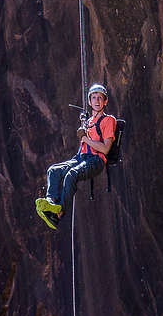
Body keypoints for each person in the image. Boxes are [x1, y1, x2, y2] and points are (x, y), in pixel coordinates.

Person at [35, 83, 116, 229]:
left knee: (72, 174)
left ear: (105, 101)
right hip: (81, 158)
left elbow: (105, 149)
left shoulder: (108, 120)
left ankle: (59, 212)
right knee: (53, 170)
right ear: (90, 102)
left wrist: (85, 138)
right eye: (94, 98)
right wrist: (84, 126)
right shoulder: (88, 121)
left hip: (96, 160)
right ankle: (51, 204)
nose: (97, 101)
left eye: (100, 98)